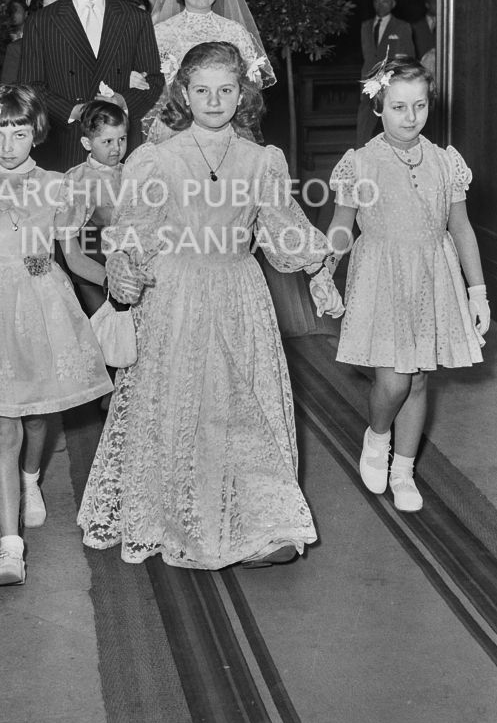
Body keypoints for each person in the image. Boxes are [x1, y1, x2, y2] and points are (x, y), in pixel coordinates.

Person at [77, 41, 344, 570]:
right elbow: (133, 231)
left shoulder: (262, 159)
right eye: (202, 90)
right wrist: (124, 264)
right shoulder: (156, 157)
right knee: (187, 403)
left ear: (241, 92)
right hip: (175, 294)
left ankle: (261, 524)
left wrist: (319, 264)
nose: (215, 100)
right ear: (184, 93)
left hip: (240, 290)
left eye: (226, 90)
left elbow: (282, 226)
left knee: (244, 406)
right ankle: (181, 515)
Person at [0, 83, 112, 586]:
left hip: (42, 308)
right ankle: (10, 548)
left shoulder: (57, 185)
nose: (8, 145)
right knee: (3, 427)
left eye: (19, 133)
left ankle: (32, 478)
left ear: (36, 134)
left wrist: (118, 282)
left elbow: (73, 257)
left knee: (37, 420)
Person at [326, 59, 489, 513]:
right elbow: (342, 226)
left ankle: (404, 469)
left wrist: (477, 292)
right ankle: (377, 437)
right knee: (395, 381)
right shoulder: (360, 163)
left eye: (419, 105)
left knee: (418, 381)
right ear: (379, 107)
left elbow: (462, 228)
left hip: (432, 276)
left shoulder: (444, 161)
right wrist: (324, 270)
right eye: (399, 106)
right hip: (381, 276)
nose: (411, 116)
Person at [15, 0, 164, 172]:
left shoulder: (135, 18)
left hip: (121, 147)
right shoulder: (42, 21)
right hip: (67, 144)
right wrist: (74, 110)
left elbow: (155, 81)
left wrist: (121, 101)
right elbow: (30, 86)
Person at [145, 0, 276, 141]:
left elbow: (252, 83)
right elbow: (151, 87)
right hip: (178, 125)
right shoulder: (161, 33)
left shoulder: (235, 31)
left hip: (226, 124)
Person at [59, 90, 129, 317]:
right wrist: (108, 280)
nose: (116, 148)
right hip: (92, 269)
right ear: (87, 143)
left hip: (129, 263)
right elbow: (71, 253)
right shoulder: (77, 180)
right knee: (105, 329)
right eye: (107, 141)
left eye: (122, 139)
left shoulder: (132, 172)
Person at [356, 0, 416, 147]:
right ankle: (360, 158)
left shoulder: (402, 27)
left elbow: (408, 58)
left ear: (393, 4)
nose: (380, 5)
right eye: (377, 1)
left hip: (392, 83)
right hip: (368, 83)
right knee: (364, 126)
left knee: (393, 126)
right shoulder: (365, 26)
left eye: (385, 1)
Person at [412, 0, 437, 75]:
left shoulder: (447, 26)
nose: (438, 5)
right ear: (427, 5)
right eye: (435, 2)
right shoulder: (415, 26)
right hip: (421, 71)